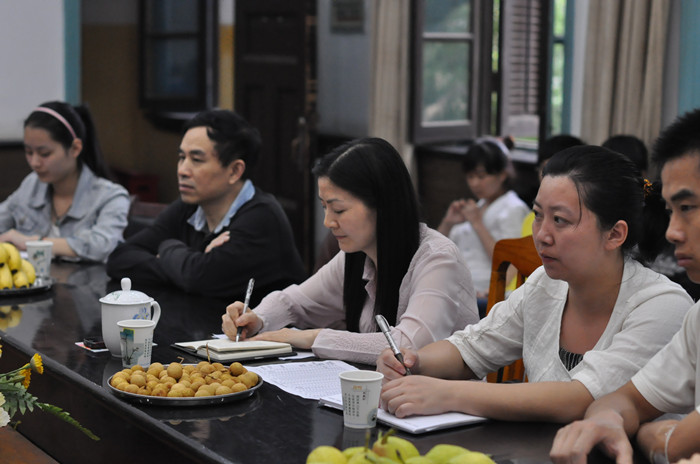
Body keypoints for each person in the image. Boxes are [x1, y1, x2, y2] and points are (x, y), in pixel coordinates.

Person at [377, 145, 693, 424]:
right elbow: (470, 349)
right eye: (538, 215)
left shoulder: (661, 305)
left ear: (614, 234)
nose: (541, 235)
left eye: (560, 220)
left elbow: (580, 399)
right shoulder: (546, 284)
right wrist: (415, 361)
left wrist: (447, 394)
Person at [221, 137, 479, 364]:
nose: (328, 222)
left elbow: (407, 346)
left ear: (382, 206)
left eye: (339, 210)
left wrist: (313, 337)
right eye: (324, 207)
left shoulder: (437, 258)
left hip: (444, 400)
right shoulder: (356, 255)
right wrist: (257, 319)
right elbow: (294, 302)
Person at [550, 109, 700, 464]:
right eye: (670, 211)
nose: (672, 232)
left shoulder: (663, 300)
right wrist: (608, 421)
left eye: (688, 207)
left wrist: (662, 438)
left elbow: (682, 443)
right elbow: (623, 401)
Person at [106, 109, 305, 302]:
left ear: (235, 171)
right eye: (181, 158)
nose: (182, 170)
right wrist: (187, 265)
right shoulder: (189, 207)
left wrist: (167, 248)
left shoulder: (262, 217)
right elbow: (119, 259)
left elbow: (199, 279)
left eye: (196, 160)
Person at [0, 101, 130, 263]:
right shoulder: (32, 184)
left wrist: (32, 242)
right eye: (28, 152)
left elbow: (102, 246)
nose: (34, 163)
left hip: (89, 279)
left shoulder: (110, 197)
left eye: (45, 154)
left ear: (75, 148)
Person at [437, 138, 530, 310]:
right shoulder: (478, 206)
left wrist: (477, 223)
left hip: (485, 294)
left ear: (502, 175)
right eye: (470, 176)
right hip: (456, 287)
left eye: (481, 176)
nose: (474, 183)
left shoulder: (513, 209)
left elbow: (511, 263)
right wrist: (448, 223)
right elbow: (437, 250)